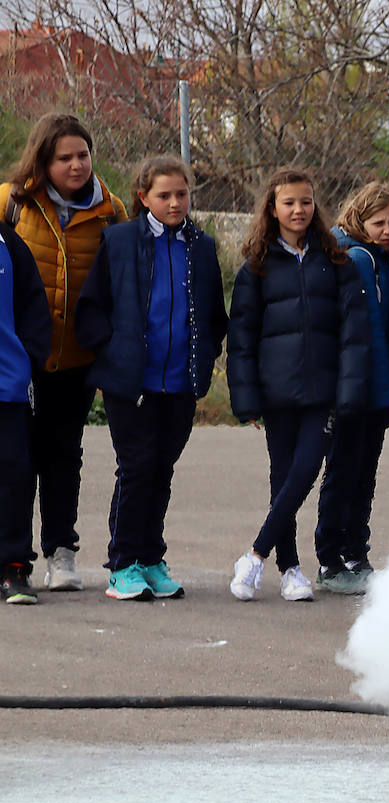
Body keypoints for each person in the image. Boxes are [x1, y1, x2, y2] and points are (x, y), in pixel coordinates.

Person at [74, 156, 227, 601]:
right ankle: (123, 564)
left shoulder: (201, 246)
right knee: (137, 468)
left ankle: (151, 558)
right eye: (164, 195)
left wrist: (206, 353)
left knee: (162, 470)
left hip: (180, 383)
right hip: (131, 384)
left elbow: (215, 315)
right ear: (143, 197)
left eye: (182, 194)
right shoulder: (119, 241)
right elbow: (92, 307)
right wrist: (113, 354)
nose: (175, 202)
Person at [226, 168, 369, 601]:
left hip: (323, 394)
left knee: (305, 472)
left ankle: (254, 555)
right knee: (282, 476)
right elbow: (242, 337)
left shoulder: (337, 259)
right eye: (289, 202)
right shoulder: (257, 265)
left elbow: (354, 334)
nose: (299, 209)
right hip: (276, 392)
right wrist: (246, 397)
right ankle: (290, 569)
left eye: (306, 201)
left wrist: (348, 392)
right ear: (273, 208)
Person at [1, 112, 128, 593]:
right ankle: (14, 558)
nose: (77, 165)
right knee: (16, 460)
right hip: (19, 361)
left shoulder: (111, 210)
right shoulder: (10, 203)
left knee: (63, 456)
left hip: (77, 358)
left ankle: (61, 551)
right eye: (64, 157)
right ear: (43, 159)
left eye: (83, 155)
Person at [315, 182, 389, 594]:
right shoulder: (356, 258)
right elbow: (359, 332)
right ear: (359, 220)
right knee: (343, 473)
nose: (387, 229)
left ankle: (356, 553)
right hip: (355, 392)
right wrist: (348, 393)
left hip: (378, 389)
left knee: (363, 475)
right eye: (378, 222)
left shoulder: (382, 260)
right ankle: (331, 560)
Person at [0, 222, 50, 604]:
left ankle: (13, 566)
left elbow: (34, 303)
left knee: (14, 475)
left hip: (8, 386)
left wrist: (28, 360)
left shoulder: (7, 241)